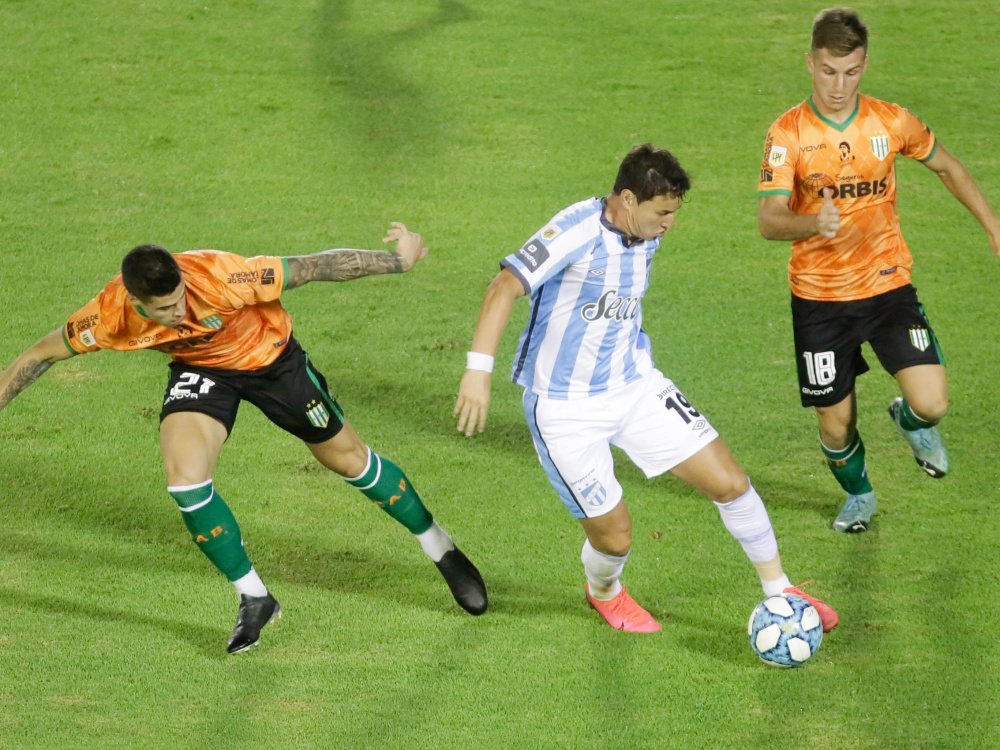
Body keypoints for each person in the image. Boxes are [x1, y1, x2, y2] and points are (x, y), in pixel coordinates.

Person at [0, 223, 488, 653]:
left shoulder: (222, 276)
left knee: (349, 461)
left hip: (273, 364)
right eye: (165, 309)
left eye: (180, 299)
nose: (179, 310)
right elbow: (38, 355)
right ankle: (255, 596)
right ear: (135, 302)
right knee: (185, 479)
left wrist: (399, 260)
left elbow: (316, 266)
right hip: (203, 372)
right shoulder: (110, 315)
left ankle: (439, 546)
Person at [453, 144, 837, 634]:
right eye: (663, 213)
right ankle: (605, 591)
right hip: (565, 411)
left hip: (635, 388)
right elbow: (503, 286)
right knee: (614, 538)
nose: (670, 224)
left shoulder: (645, 230)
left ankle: (779, 589)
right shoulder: (575, 230)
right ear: (628, 200)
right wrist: (477, 370)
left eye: (674, 212)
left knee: (731, 483)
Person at [757, 8, 1000, 533]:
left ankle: (909, 421)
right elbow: (769, 220)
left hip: (887, 284)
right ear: (810, 63)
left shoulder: (891, 121)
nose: (838, 85)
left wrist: (992, 224)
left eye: (850, 72)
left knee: (933, 402)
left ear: (864, 65)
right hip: (820, 300)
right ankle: (860, 495)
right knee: (836, 424)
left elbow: (948, 166)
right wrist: (809, 221)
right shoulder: (788, 133)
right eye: (827, 71)